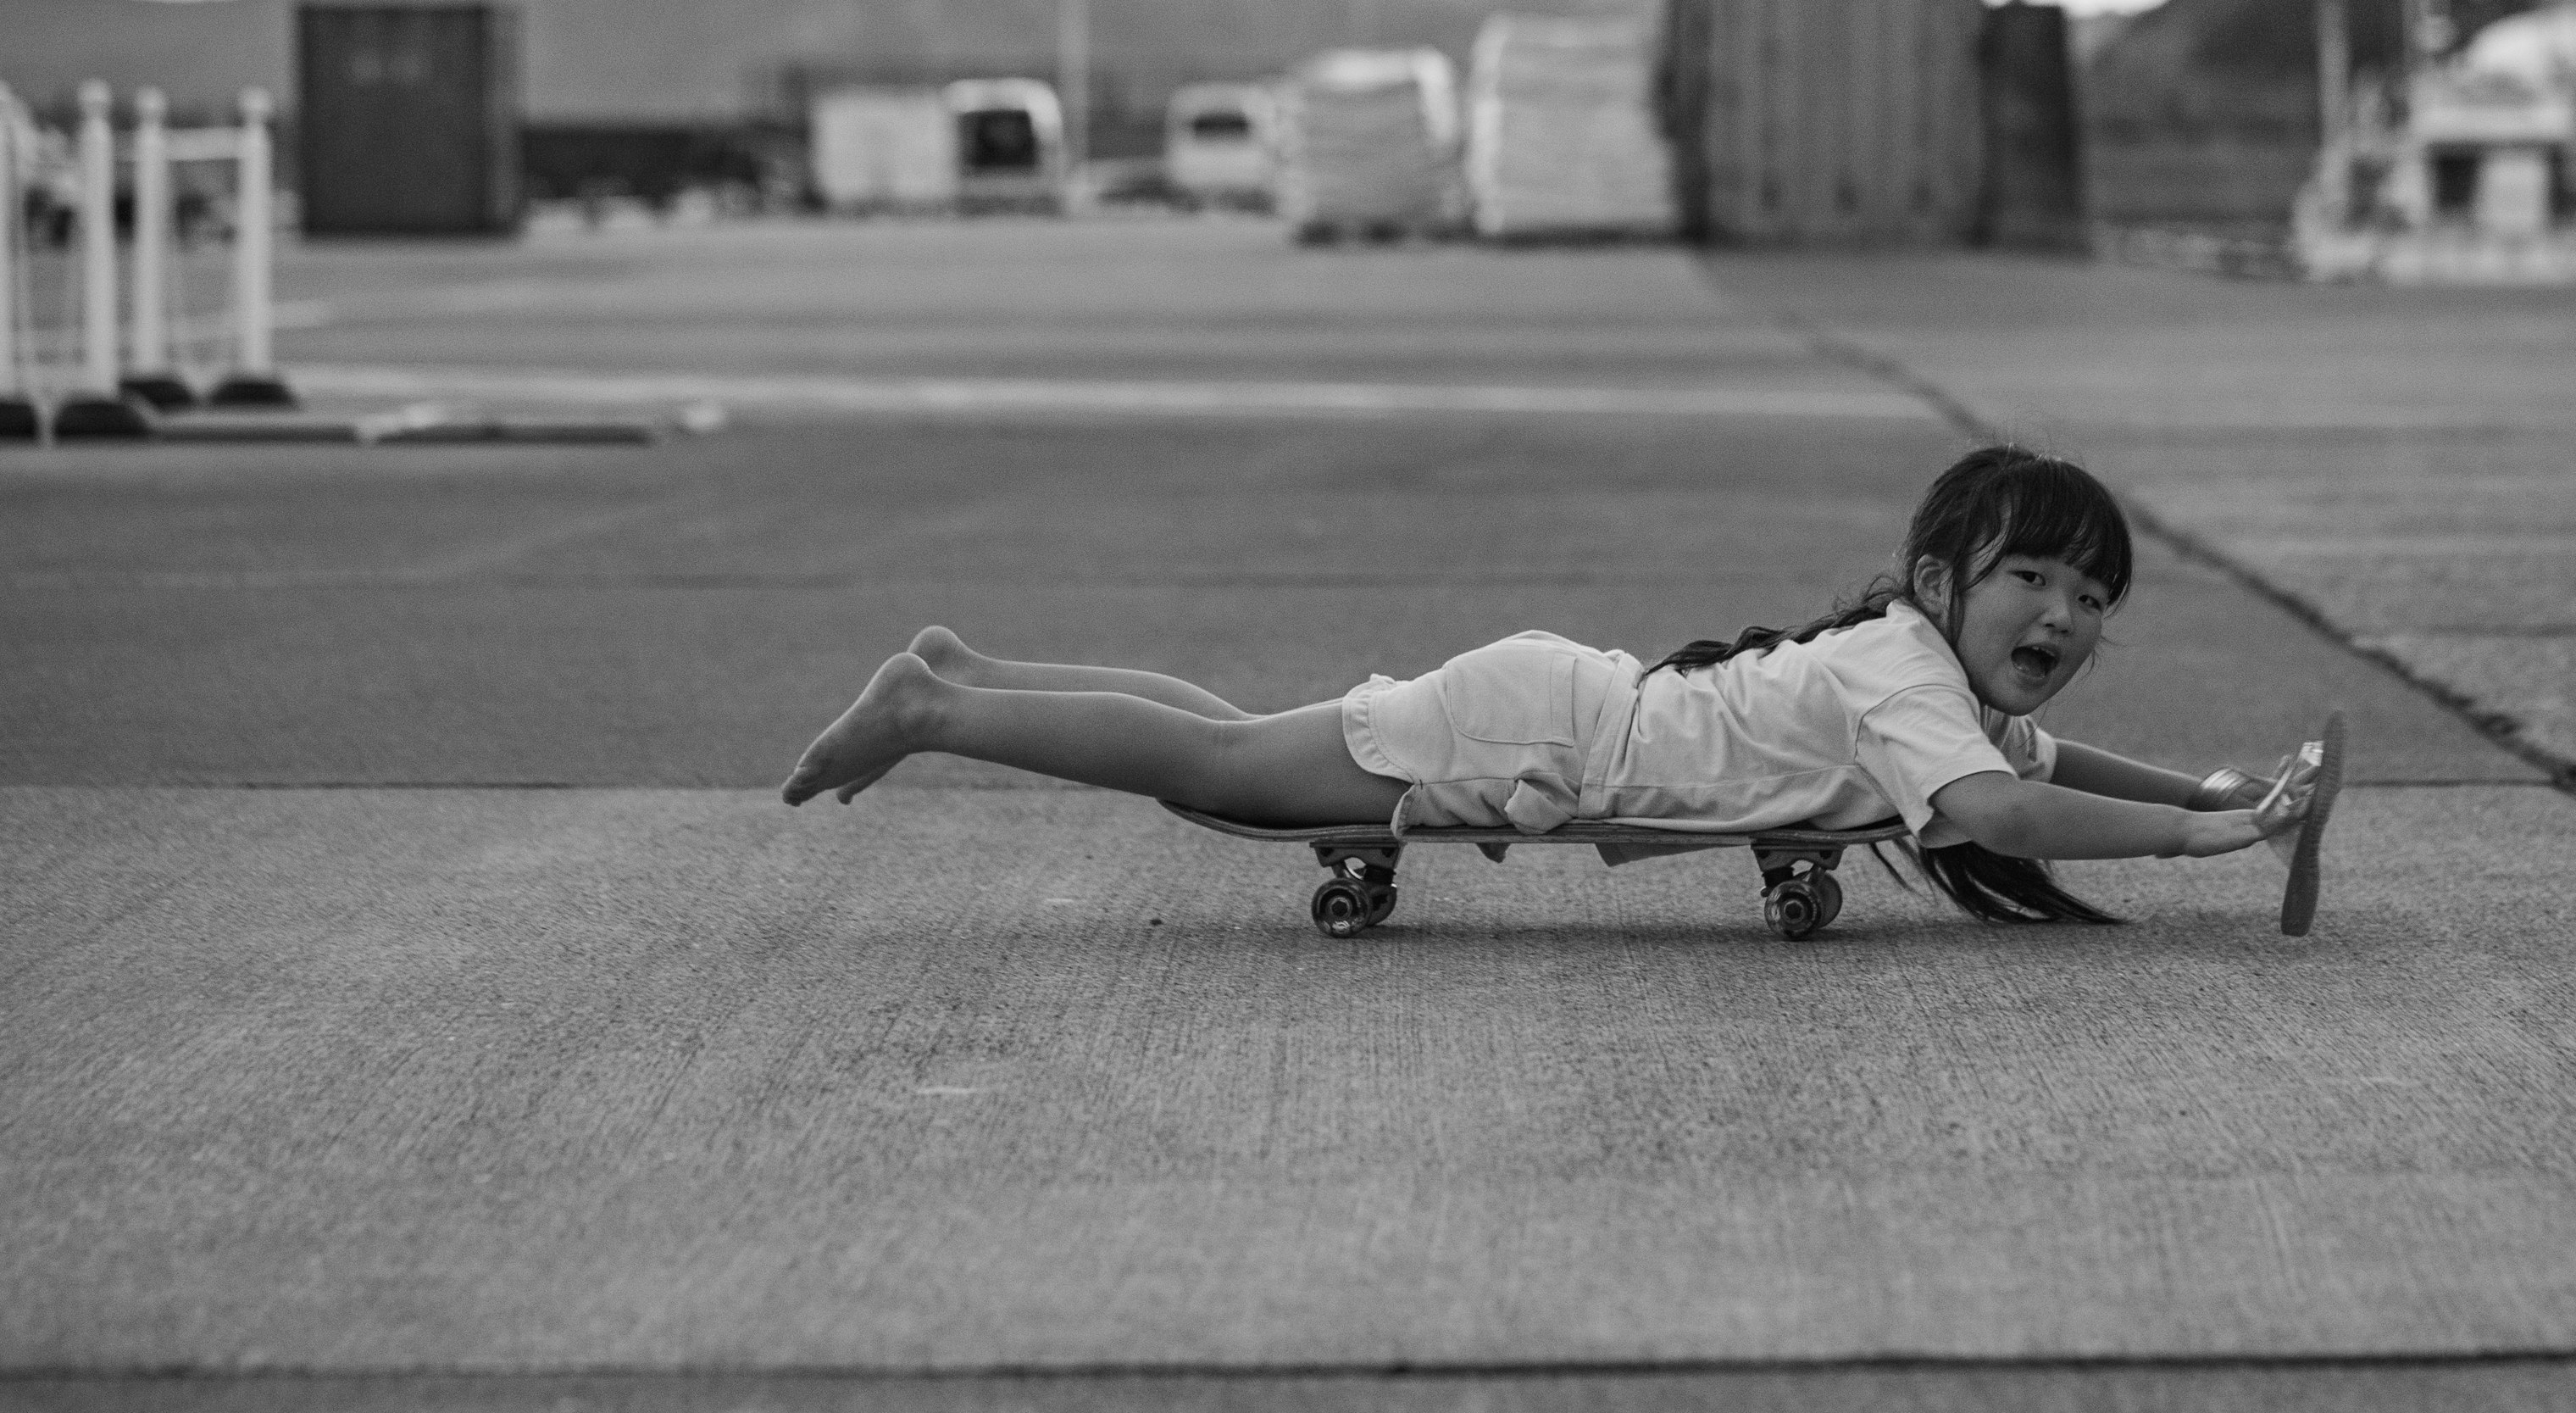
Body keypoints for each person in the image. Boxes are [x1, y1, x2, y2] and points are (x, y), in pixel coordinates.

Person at [780, 444, 2324, 925]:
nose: (2062, 613)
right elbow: (2002, 815)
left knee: (1236, 742)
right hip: (1540, 731)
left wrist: (2210, 792)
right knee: (1219, 772)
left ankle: (971, 672)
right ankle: (939, 713)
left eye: (2091, 596)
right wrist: (2203, 853)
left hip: (1559, 706)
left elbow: (2054, 763)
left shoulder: (1924, 674)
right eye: (2032, 579)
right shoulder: (1908, 681)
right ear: (1940, 586)